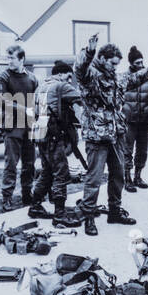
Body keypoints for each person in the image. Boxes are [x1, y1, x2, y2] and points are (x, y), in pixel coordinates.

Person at [75, 34, 136, 236]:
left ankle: (115, 212)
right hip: (97, 136)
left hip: (116, 134)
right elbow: (80, 70)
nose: (114, 67)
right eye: (112, 63)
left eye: (117, 64)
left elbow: (133, 79)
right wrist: (89, 52)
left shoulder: (114, 77)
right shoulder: (90, 75)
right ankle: (89, 217)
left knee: (118, 175)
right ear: (102, 58)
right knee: (94, 178)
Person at [30, 59, 82, 224]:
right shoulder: (61, 86)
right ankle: (59, 215)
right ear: (59, 74)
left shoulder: (40, 88)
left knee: (46, 172)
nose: (69, 81)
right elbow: (83, 97)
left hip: (40, 135)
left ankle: (35, 206)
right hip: (54, 135)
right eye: (67, 77)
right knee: (61, 173)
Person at [0, 43, 39, 209]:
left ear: (21, 59)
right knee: (11, 164)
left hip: (29, 127)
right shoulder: (3, 77)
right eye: (7, 58)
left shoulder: (32, 78)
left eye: (11, 58)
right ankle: (7, 198)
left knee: (29, 164)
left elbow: (37, 101)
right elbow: (1, 99)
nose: (8, 61)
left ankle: (27, 194)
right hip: (11, 127)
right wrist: (24, 108)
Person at [119, 46, 148, 192]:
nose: (140, 65)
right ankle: (127, 178)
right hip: (129, 120)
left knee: (142, 151)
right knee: (127, 150)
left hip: (145, 120)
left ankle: (138, 176)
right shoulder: (124, 77)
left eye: (142, 62)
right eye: (137, 63)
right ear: (131, 63)